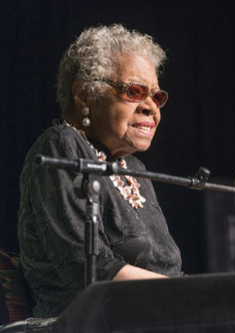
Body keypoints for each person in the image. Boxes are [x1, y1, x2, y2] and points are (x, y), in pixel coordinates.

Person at [17, 24, 183, 318]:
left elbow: (170, 270)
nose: (150, 108)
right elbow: (88, 269)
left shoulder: (134, 169)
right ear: (84, 94)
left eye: (157, 97)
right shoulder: (61, 147)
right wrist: (194, 299)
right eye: (134, 91)